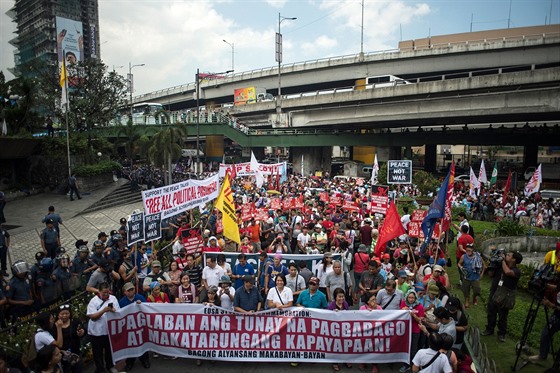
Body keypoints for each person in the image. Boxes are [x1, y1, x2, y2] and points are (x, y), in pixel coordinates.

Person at [482, 251, 523, 342]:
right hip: (494, 292)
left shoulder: (516, 271)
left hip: (505, 296)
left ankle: (501, 334)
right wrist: (491, 266)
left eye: (508, 255)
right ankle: (489, 329)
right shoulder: (500, 265)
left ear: (514, 259)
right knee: (491, 312)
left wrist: (502, 260)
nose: (505, 256)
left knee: (502, 316)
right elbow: (491, 275)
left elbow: (508, 272)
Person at [86, 282, 120, 373]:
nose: (106, 294)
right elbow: (92, 317)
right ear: (99, 291)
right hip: (96, 332)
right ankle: (100, 369)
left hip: (108, 331)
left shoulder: (113, 299)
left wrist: (113, 310)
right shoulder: (93, 301)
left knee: (109, 350)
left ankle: (110, 366)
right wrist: (103, 311)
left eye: (107, 292)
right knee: (98, 353)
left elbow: (118, 313)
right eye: (104, 292)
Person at [119, 283, 150, 371]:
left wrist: (142, 305)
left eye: (132, 289)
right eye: (128, 290)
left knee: (143, 342)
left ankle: (145, 360)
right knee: (130, 345)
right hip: (129, 328)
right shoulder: (122, 302)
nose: (131, 291)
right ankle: (130, 362)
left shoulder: (140, 297)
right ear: (124, 292)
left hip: (141, 326)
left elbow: (147, 309)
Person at [52, 305, 86, 373]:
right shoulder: (54, 326)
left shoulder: (75, 321)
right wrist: (59, 327)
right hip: (63, 356)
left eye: (67, 313)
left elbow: (83, 330)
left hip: (76, 353)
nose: (64, 315)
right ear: (58, 315)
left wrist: (82, 332)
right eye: (62, 314)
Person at [399, 289, 425, 373]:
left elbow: (420, 320)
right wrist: (402, 310)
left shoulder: (420, 306)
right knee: (405, 347)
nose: (411, 299)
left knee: (413, 348)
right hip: (405, 330)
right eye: (409, 297)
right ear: (406, 297)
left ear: (416, 298)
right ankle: (405, 364)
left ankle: (412, 364)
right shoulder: (403, 303)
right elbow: (398, 315)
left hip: (415, 330)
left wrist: (414, 315)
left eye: (413, 298)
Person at [327, 288, 352, 372]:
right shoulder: (331, 306)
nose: (341, 298)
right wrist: (333, 313)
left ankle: (345, 360)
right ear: (335, 297)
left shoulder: (345, 304)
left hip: (344, 329)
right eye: (339, 297)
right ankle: (335, 362)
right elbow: (326, 318)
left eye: (343, 296)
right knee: (336, 346)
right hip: (334, 330)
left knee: (345, 346)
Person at [457, 244, 484, 308]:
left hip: (475, 277)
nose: (468, 252)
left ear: (473, 250)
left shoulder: (478, 257)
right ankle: (467, 301)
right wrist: (461, 267)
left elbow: (483, 265)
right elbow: (459, 263)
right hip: (467, 277)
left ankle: (474, 297)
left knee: (476, 290)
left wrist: (482, 273)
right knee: (465, 290)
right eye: (467, 250)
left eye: (469, 250)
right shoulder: (464, 256)